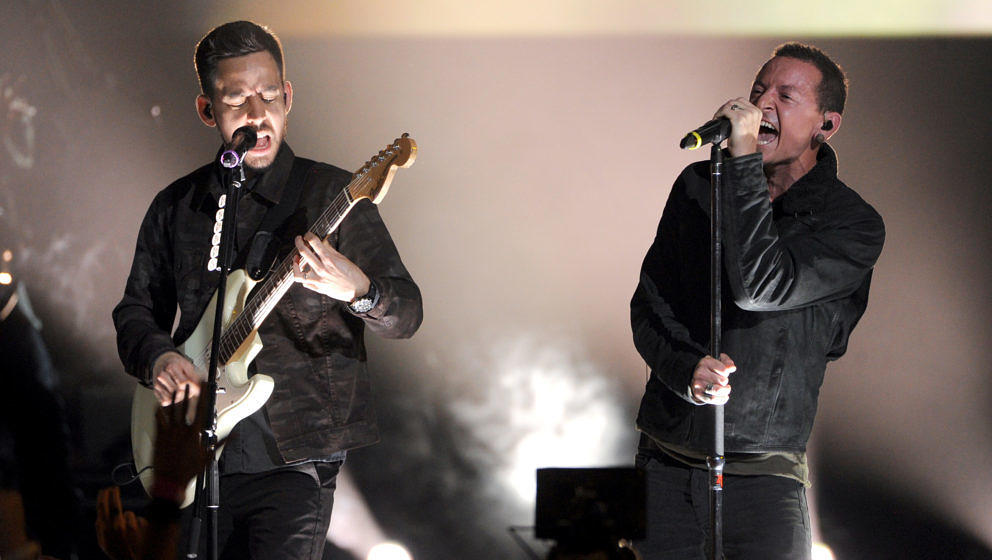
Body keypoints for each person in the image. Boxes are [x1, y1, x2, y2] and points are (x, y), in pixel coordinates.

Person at [112, 20, 422, 560]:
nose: (258, 114)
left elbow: (408, 312)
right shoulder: (177, 206)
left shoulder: (332, 192)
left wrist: (359, 290)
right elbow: (135, 312)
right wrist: (160, 357)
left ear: (289, 96)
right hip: (198, 457)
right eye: (237, 100)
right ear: (208, 110)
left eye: (270, 95)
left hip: (294, 458)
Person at [630, 43, 884, 559]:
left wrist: (743, 159)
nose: (761, 105)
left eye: (785, 96)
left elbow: (760, 286)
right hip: (664, 467)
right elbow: (648, 306)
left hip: (764, 484)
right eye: (757, 91)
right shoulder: (698, 187)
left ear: (825, 124)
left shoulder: (852, 224)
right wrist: (684, 369)